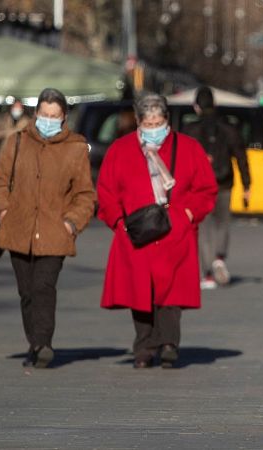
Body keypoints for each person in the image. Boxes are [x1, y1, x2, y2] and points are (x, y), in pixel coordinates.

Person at [96, 92, 217, 368]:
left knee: (171, 293)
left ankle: (169, 343)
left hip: (176, 231)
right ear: (138, 122)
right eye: (148, 123)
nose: (153, 128)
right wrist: (118, 221)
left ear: (167, 121)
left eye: (158, 121)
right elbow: (106, 192)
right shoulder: (120, 149)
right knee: (139, 293)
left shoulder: (188, 148)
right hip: (135, 234)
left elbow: (206, 188)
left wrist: (188, 214)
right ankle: (144, 346)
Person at [0, 88, 96, 368]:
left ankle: (44, 343)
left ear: (64, 117)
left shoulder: (76, 147)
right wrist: (3, 209)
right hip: (17, 227)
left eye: (54, 116)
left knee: (44, 286)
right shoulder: (17, 142)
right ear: (36, 115)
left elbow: (85, 194)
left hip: (55, 231)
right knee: (27, 292)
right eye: (44, 115)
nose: (48, 120)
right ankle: (34, 342)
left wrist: (71, 223)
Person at [182, 86, 251, 289]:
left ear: (196, 107)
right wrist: (247, 184)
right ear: (215, 104)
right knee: (223, 222)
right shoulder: (229, 128)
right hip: (224, 182)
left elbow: (181, 161)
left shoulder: (190, 131)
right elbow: (241, 157)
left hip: (199, 187)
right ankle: (220, 257)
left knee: (204, 228)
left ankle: (208, 274)